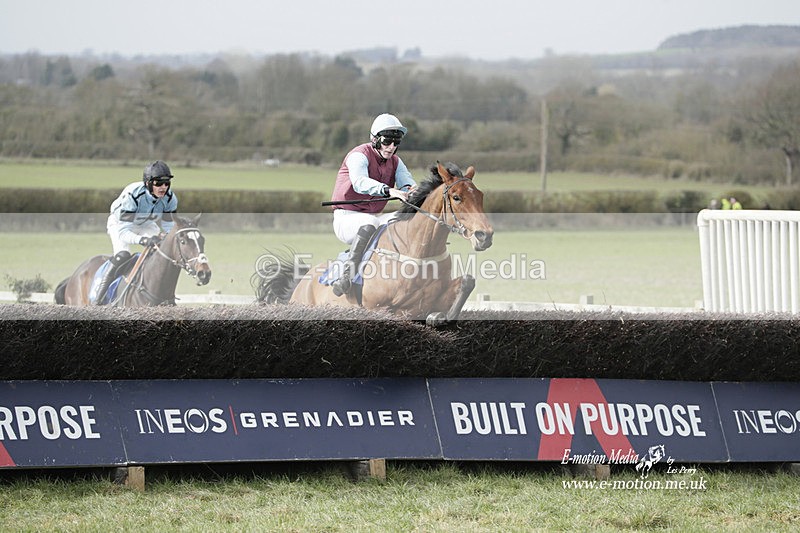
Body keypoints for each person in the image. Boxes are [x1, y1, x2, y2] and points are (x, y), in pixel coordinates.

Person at [329, 113, 417, 296]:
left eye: (396, 142)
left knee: (404, 221)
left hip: (373, 217)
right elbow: (360, 181)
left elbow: (407, 183)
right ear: (374, 139)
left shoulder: (396, 161)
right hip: (347, 218)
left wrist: (414, 191)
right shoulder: (358, 156)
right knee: (369, 224)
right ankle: (346, 276)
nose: (391, 147)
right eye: (387, 141)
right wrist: (389, 190)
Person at [95, 160, 178, 304]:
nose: (163, 187)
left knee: (159, 252)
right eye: (158, 183)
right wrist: (143, 240)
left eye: (166, 183)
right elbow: (123, 232)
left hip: (146, 223)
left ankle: (163, 296)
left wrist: (167, 237)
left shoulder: (170, 198)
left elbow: (168, 225)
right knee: (122, 255)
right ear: (148, 183)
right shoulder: (133, 194)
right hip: (120, 224)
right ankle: (99, 299)